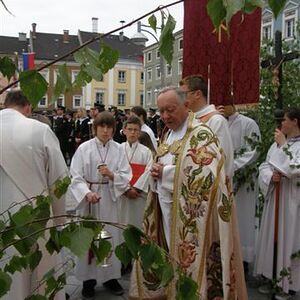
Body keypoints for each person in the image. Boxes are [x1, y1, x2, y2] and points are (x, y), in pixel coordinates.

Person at [129, 86, 247, 300]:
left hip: (191, 214)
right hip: (166, 208)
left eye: (170, 110)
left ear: (186, 105)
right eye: (161, 111)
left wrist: (164, 172)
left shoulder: (201, 134)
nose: (165, 116)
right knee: (170, 257)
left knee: (188, 263)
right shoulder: (169, 134)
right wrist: (156, 171)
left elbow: (207, 173)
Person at [0, 90, 68, 300]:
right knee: (37, 277)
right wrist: (59, 221)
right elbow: (59, 181)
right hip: (36, 219)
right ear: (28, 107)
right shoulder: (40, 130)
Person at [68, 111, 132, 298]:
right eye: (101, 127)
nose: (105, 131)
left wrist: (112, 175)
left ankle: (110, 277)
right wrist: (87, 193)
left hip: (110, 200)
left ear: (114, 129)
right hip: (90, 199)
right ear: (95, 127)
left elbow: (126, 174)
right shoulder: (84, 149)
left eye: (109, 127)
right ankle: (88, 281)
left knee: (110, 236)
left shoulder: (119, 149)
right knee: (89, 238)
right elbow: (76, 176)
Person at [254, 108, 300, 299]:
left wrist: (283, 147)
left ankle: (288, 285)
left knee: (290, 239)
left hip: (292, 200)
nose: (281, 124)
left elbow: (294, 168)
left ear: (295, 122)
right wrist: (269, 176)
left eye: (285, 120)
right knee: (274, 238)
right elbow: (265, 165)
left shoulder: (286, 144)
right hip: (276, 197)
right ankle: (273, 278)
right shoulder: (279, 143)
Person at [219, 104, 261, 273]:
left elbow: (254, 150)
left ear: (233, 104)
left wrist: (232, 166)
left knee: (242, 217)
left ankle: (242, 260)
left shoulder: (248, 123)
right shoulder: (218, 123)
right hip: (221, 178)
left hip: (243, 180)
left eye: (226, 103)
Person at [179, 75, 234, 177]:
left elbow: (223, 159)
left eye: (183, 95)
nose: (181, 99)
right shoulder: (187, 120)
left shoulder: (216, 121)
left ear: (197, 94)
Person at [120, 115, 153, 229]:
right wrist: (125, 189)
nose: (132, 133)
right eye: (130, 129)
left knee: (137, 224)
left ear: (139, 132)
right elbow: (114, 171)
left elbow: (149, 171)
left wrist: (136, 188)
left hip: (138, 195)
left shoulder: (146, 152)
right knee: (120, 224)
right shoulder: (118, 149)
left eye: (136, 130)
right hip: (121, 194)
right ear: (124, 131)